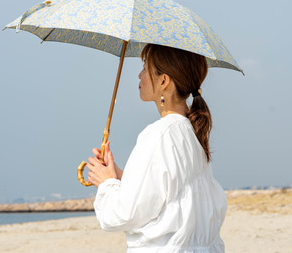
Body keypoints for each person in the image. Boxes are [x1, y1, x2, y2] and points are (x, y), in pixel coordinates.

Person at [86, 43, 227, 252]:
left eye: (145, 68)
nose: (139, 76)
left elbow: (124, 214)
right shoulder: (190, 132)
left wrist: (106, 184)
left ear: (163, 80)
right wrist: (118, 175)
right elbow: (166, 195)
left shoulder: (160, 134)